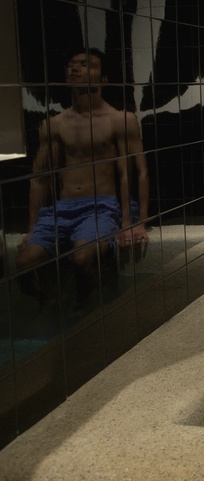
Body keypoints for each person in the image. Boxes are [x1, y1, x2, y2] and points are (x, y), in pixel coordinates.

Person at [17, 48, 149, 309]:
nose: (75, 69)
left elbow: (136, 172)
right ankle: (50, 304)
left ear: (104, 79)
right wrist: (32, 227)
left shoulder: (119, 120)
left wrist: (136, 222)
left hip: (100, 207)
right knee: (22, 264)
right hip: (61, 210)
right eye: (71, 64)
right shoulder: (55, 124)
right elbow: (40, 178)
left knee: (81, 258)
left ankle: (82, 307)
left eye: (86, 65)